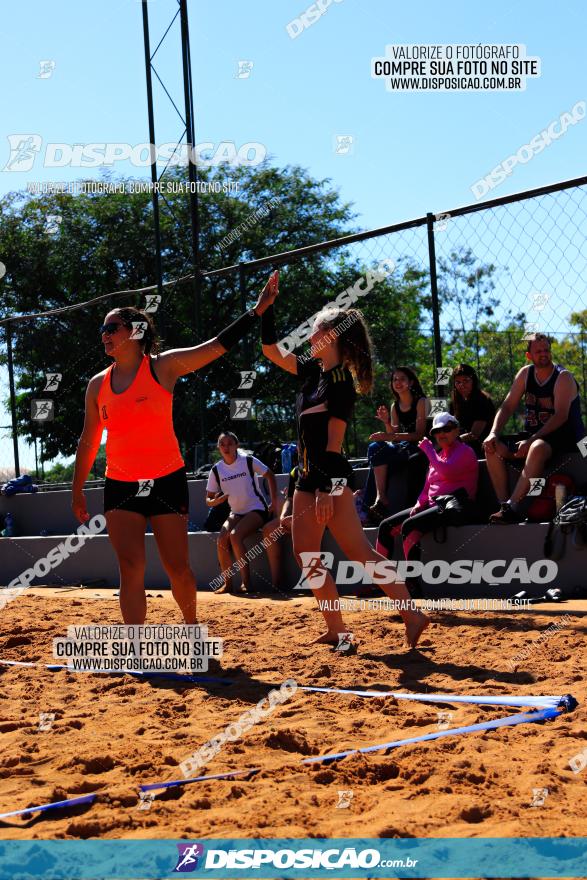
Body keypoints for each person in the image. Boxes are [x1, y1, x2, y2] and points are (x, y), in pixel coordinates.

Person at [71, 282, 276, 624]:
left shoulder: (162, 367)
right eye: (102, 329)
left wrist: (255, 311)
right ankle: (137, 647)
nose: (104, 335)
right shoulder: (97, 385)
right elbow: (89, 441)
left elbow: (215, 347)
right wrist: (77, 489)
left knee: (177, 568)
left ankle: (191, 628)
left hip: (167, 480)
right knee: (131, 568)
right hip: (120, 484)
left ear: (135, 332)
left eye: (112, 328)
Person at [259, 271, 429, 648]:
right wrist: (265, 310)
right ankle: (339, 629)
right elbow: (271, 352)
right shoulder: (312, 373)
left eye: (317, 330)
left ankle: (411, 614)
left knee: (358, 552)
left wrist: (322, 488)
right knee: (308, 554)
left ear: (332, 336)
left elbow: (333, 444)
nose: (311, 335)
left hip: (330, 477)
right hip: (308, 477)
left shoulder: (340, 382)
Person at [483, 333, 585, 524]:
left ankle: (513, 506)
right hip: (533, 437)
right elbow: (507, 406)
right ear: (529, 355)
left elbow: (561, 416)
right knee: (491, 446)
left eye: (546, 350)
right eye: (538, 351)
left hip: (563, 438)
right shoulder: (525, 374)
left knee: (537, 446)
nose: (544, 354)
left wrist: (530, 442)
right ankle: (503, 505)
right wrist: (493, 433)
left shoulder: (563, 377)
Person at [376, 412, 479, 597]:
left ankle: (412, 584)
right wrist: (419, 503)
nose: (442, 434)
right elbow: (428, 485)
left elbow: (447, 472)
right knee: (385, 526)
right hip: (433, 505)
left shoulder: (465, 451)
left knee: (410, 525)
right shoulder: (438, 454)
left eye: (447, 429)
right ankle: (380, 583)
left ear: (456, 430)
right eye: (437, 431)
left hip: (454, 506)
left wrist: (429, 450)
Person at [206, 431, 278, 594]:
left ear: (236, 445)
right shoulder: (216, 470)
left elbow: (270, 476)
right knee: (221, 539)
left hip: (257, 509)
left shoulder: (248, 460)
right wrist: (215, 502)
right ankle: (228, 584)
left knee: (235, 535)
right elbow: (208, 499)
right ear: (218, 447)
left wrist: (274, 501)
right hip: (236, 512)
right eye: (222, 444)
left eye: (230, 443)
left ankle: (246, 583)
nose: (226, 447)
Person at [363, 367, 428, 523]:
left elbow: (419, 434)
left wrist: (388, 435)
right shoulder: (394, 406)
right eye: (394, 379)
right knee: (374, 449)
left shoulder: (421, 402)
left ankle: (366, 508)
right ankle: (381, 498)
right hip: (403, 447)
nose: (397, 382)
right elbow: (394, 438)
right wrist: (386, 423)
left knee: (377, 459)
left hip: (419, 448)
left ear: (411, 382)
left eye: (402, 379)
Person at [450, 363, 496, 457]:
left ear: (473, 381)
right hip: (460, 445)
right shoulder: (455, 402)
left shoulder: (482, 401)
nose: (461, 385)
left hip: (482, 448)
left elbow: (474, 435)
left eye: (466, 381)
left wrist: (451, 440)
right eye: (458, 382)